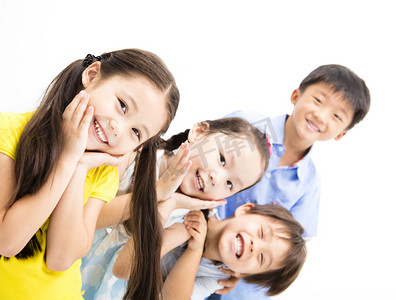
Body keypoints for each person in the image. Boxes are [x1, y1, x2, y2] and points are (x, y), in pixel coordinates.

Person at [0, 48, 180, 300]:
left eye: (136, 132)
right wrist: (67, 159)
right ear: (92, 75)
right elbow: (7, 241)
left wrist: (79, 167)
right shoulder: (10, 131)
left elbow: (60, 258)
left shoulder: (103, 174)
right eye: (122, 105)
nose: (119, 128)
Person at [213, 64, 371, 300]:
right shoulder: (247, 125)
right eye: (318, 100)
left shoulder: (309, 185)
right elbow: (193, 160)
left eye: (337, 116)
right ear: (296, 96)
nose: (321, 115)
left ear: (340, 134)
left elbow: (287, 253)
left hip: (232, 282)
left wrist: (241, 273)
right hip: (189, 238)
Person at [80, 117, 271, 300]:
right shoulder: (141, 152)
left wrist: (169, 204)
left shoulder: (185, 223)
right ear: (198, 132)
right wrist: (158, 192)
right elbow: (89, 217)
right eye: (222, 159)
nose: (217, 178)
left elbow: (124, 269)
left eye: (229, 184)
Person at [153, 203, 306, 300]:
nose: (255, 246)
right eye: (261, 233)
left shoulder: (215, 280)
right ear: (245, 211)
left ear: (242, 274)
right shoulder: (203, 203)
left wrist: (195, 249)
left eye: (261, 258)